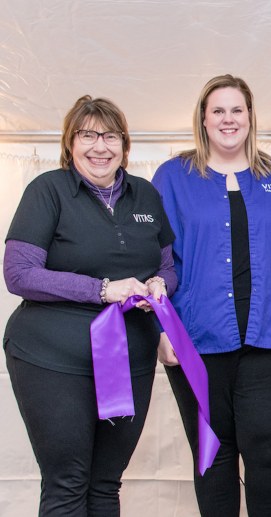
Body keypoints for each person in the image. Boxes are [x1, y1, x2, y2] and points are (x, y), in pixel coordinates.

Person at [3, 95, 176, 515]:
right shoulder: (47, 190)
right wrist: (101, 289)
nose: (100, 146)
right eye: (88, 135)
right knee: (68, 483)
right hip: (52, 358)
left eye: (110, 135)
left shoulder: (146, 195)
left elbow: (169, 266)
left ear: (124, 143)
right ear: (70, 142)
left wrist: (159, 285)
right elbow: (19, 274)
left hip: (129, 355)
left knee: (104, 485)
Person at [152, 74, 271, 517]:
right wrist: (157, 328)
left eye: (236, 110)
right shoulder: (172, 177)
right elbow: (153, 260)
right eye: (217, 110)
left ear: (250, 116)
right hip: (196, 343)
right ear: (203, 119)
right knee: (213, 459)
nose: (228, 119)